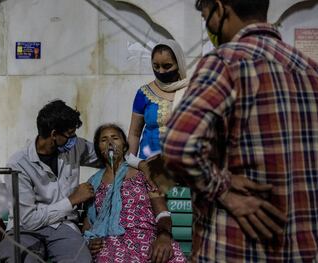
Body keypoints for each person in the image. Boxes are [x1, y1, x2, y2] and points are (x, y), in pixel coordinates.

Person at [161, 0, 318, 261]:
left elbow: (179, 146)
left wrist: (222, 189)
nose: (207, 24)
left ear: (220, 9)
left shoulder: (225, 62)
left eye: (205, 14)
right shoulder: (309, 70)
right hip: (301, 249)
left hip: (235, 247)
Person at [0, 100, 101, 262]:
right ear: (54, 135)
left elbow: (107, 157)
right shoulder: (19, 164)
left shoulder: (74, 147)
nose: (74, 139)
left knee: (81, 260)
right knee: (18, 258)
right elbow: (28, 220)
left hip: (64, 227)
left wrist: (138, 163)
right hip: (25, 231)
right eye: (70, 134)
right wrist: (71, 200)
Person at [83, 124, 186, 263]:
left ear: (125, 146)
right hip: (111, 243)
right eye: (103, 140)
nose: (110, 143)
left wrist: (164, 237)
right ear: (98, 149)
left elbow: (162, 213)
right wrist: (90, 242)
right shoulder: (93, 184)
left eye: (115, 138)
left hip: (151, 238)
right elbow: (88, 223)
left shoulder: (144, 174)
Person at [127, 39, 188, 162]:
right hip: (148, 167)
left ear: (179, 64)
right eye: (156, 66)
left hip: (182, 168)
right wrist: (130, 165)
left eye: (167, 66)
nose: (161, 71)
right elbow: (134, 133)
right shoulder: (144, 93)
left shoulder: (191, 92)